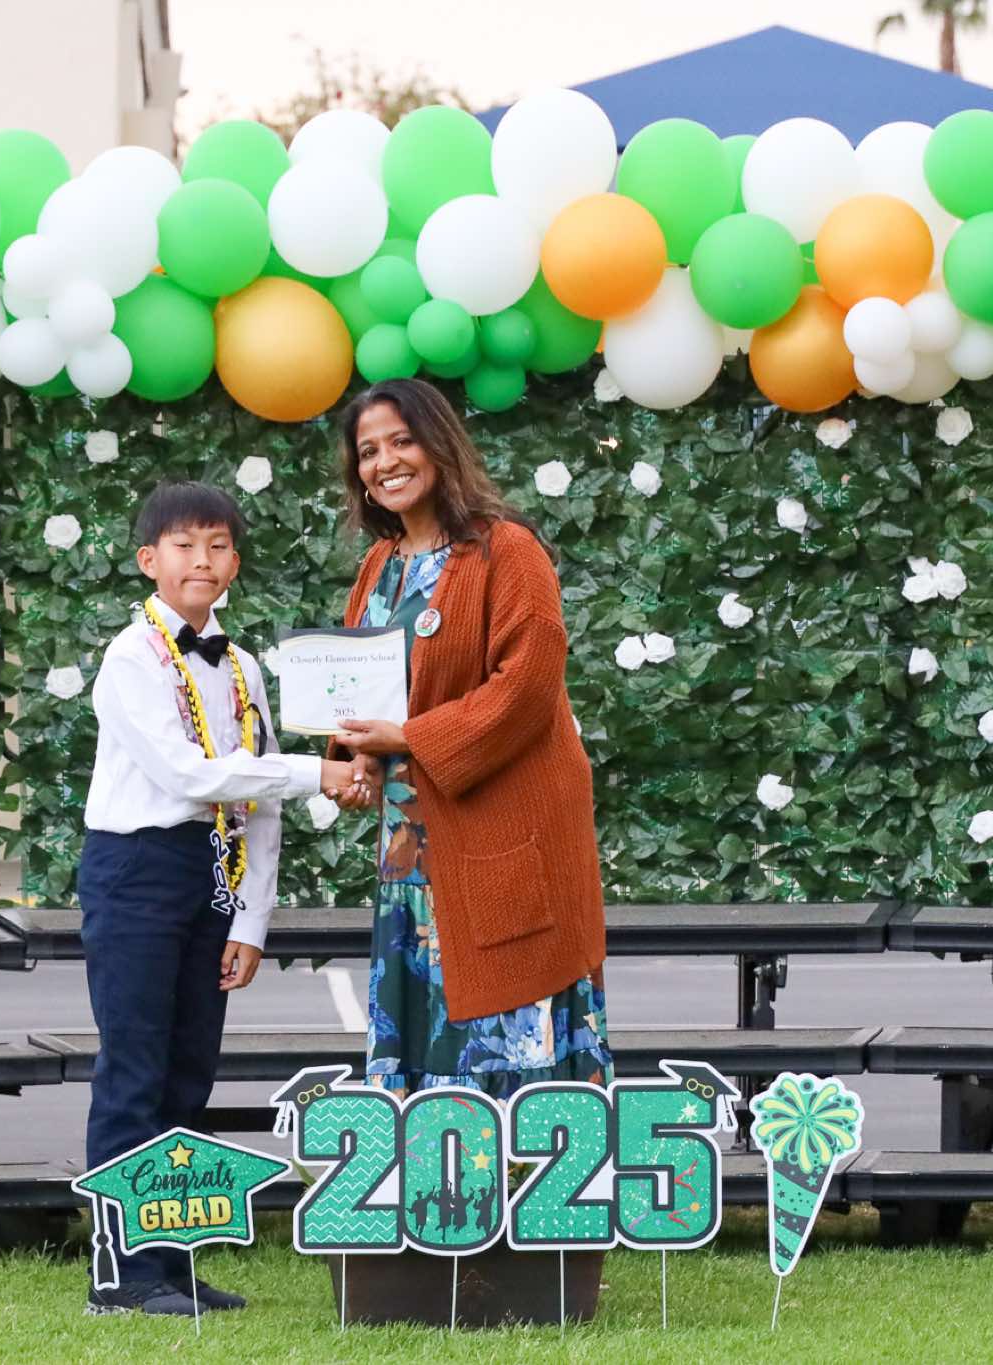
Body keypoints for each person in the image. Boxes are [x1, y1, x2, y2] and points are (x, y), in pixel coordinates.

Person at [79, 480, 361, 1317]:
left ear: (235, 561)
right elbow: (187, 774)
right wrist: (318, 771)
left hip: (214, 869)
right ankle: (120, 1275)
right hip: (136, 870)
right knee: (134, 1070)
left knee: (189, 1074)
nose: (201, 559)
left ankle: (171, 1263)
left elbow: (257, 801)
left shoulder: (242, 668)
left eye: (218, 545)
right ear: (148, 559)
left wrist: (252, 919)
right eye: (183, 544)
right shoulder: (130, 658)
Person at [330, 379, 612, 1102]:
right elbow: (366, 690)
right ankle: (440, 1166)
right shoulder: (380, 565)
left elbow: (528, 685)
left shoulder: (506, 549)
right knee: (424, 1020)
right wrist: (359, 758)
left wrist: (407, 736)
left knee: (512, 1018)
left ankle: (523, 1164)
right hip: (411, 848)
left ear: (440, 445)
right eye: (368, 450)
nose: (385, 462)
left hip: (499, 829)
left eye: (402, 441)